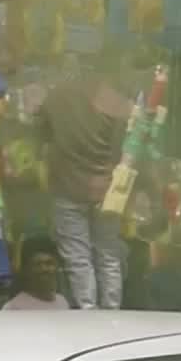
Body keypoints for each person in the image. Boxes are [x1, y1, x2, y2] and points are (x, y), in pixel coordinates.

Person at [36, 60, 134, 309]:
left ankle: (88, 314)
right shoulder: (113, 100)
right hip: (107, 190)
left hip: (67, 188)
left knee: (78, 259)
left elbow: (41, 133)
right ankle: (112, 312)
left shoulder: (55, 96)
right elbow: (126, 147)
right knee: (108, 254)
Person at [3, 234, 71, 311]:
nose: (44, 269)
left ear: (57, 266)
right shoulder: (13, 308)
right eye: (37, 264)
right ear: (26, 270)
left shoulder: (63, 302)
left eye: (49, 263)